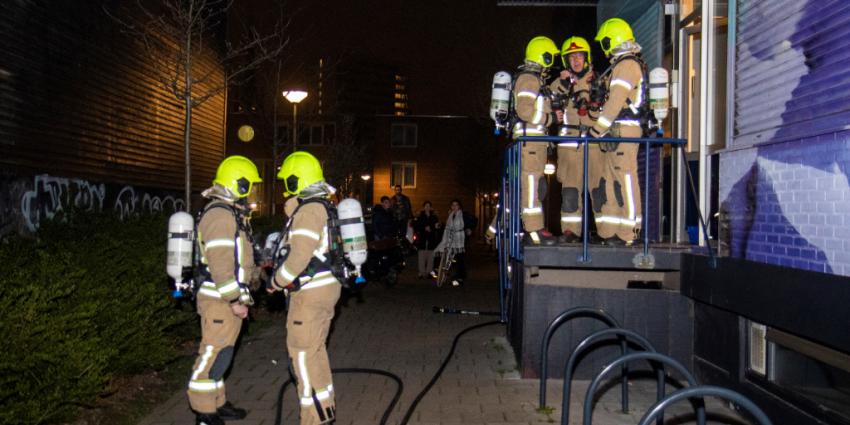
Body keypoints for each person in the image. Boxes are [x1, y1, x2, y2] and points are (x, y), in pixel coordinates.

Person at [188, 155, 262, 425]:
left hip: (226, 298)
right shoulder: (219, 215)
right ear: (238, 184)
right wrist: (234, 300)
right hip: (219, 299)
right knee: (212, 354)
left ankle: (217, 403)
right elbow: (220, 265)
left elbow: (238, 258)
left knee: (223, 354)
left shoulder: (230, 213)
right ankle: (204, 412)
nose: (252, 190)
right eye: (250, 185)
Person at [268, 151, 340, 425]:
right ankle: (326, 410)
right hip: (323, 289)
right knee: (315, 352)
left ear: (297, 180)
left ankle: (314, 419)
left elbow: (298, 258)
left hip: (310, 295)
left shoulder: (310, 210)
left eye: (288, 180)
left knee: (302, 357)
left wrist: (276, 281)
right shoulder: (321, 206)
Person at [588, 18, 647, 245]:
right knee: (612, 181)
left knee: (625, 179)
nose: (603, 47)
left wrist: (597, 129)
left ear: (611, 39)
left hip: (624, 129)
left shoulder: (626, 65)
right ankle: (612, 231)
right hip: (617, 131)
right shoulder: (622, 65)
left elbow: (615, 103)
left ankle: (629, 232)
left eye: (604, 42)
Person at [550, 36, 600, 243]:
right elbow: (548, 97)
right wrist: (562, 83)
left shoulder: (598, 80)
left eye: (579, 56)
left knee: (598, 190)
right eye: (571, 58)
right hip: (569, 146)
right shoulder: (562, 82)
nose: (576, 61)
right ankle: (571, 231)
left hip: (594, 143)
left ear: (586, 58)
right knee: (570, 192)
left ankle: (605, 232)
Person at [512, 36, 561, 245]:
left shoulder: (534, 80)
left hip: (535, 143)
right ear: (544, 55)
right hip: (530, 143)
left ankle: (536, 228)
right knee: (531, 184)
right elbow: (524, 111)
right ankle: (533, 232)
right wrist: (549, 119)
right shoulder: (529, 79)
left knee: (536, 185)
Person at [434, 199, 474, 286]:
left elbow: (471, 222)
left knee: (460, 259)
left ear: (459, 206)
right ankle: (444, 273)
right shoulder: (450, 216)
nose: (454, 207)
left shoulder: (463, 214)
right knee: (445, 254)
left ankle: (461, 277)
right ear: (451, 207)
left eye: (456, 205)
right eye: (453, 205)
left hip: (460, 240)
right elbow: (447, 227)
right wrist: (440, 226)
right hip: (450, 238)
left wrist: (469, 229)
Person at [413, 201, 440, 278]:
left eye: (429, 206)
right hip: (422, 237)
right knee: (421, 255)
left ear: (431, 207)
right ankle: (421, 272)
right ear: (424, 207)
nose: (427, 207)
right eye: (426, 206)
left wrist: (431, 228)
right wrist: (424, 228)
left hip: (431, 238)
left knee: (430, 255)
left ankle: (429, 272)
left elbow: (437, 226)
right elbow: (416, 226)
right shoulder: (420, 216)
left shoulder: (434, 216)